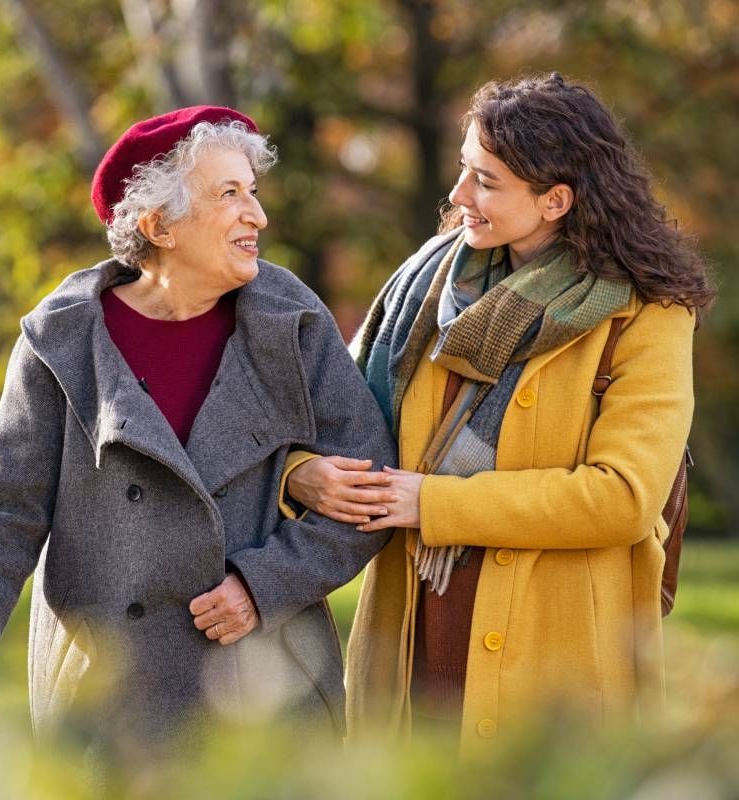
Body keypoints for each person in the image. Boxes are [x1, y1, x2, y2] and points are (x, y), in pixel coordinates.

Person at [0, 106, 396, 762]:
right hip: (110, 699)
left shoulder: (292, 321)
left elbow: (371, 488)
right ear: (158, 225)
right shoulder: (64, 341)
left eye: (253, 191)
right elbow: (0, 516)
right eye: (229, 194)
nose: (257, 216)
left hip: (268, 693)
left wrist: (264, 583)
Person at [283, 73, 714, 755]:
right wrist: (303, 475)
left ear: (555, 200)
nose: (458, 198)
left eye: (485, 181)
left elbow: (624, 497)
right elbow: (323, 421)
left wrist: (437, 504)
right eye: (463, 170)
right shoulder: (423, 292)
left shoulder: (648, 316)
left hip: (556, 665)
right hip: (412, 642)